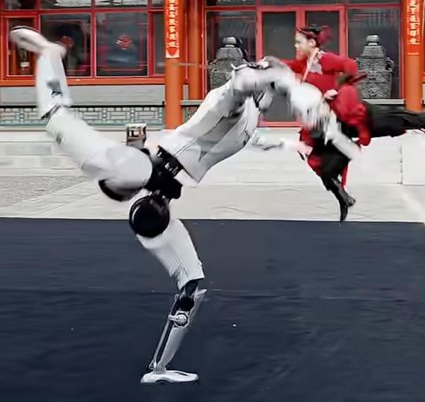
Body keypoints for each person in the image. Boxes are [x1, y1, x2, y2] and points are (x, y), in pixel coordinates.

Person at [8, 26, 359, 384]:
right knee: (57, 115)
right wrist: (275, 78)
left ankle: (158, 369)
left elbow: (256, 136)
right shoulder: (229, 99)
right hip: (148, 166)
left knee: (193, 286)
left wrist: (298, 137)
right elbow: (238, 87)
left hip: (156, 199)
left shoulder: (250, 120)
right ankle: (50, 54)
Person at [286, 24, 425, 221]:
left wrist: (337, 90)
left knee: (392, 120)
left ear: (312, 43)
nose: (296, 46)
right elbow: (282, 67)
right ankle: (343, 198)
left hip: (346, 111)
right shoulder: (303, 65)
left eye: (299, 42)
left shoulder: (326, 60)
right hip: (328, 125)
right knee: (323, 165)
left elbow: (351, 66)